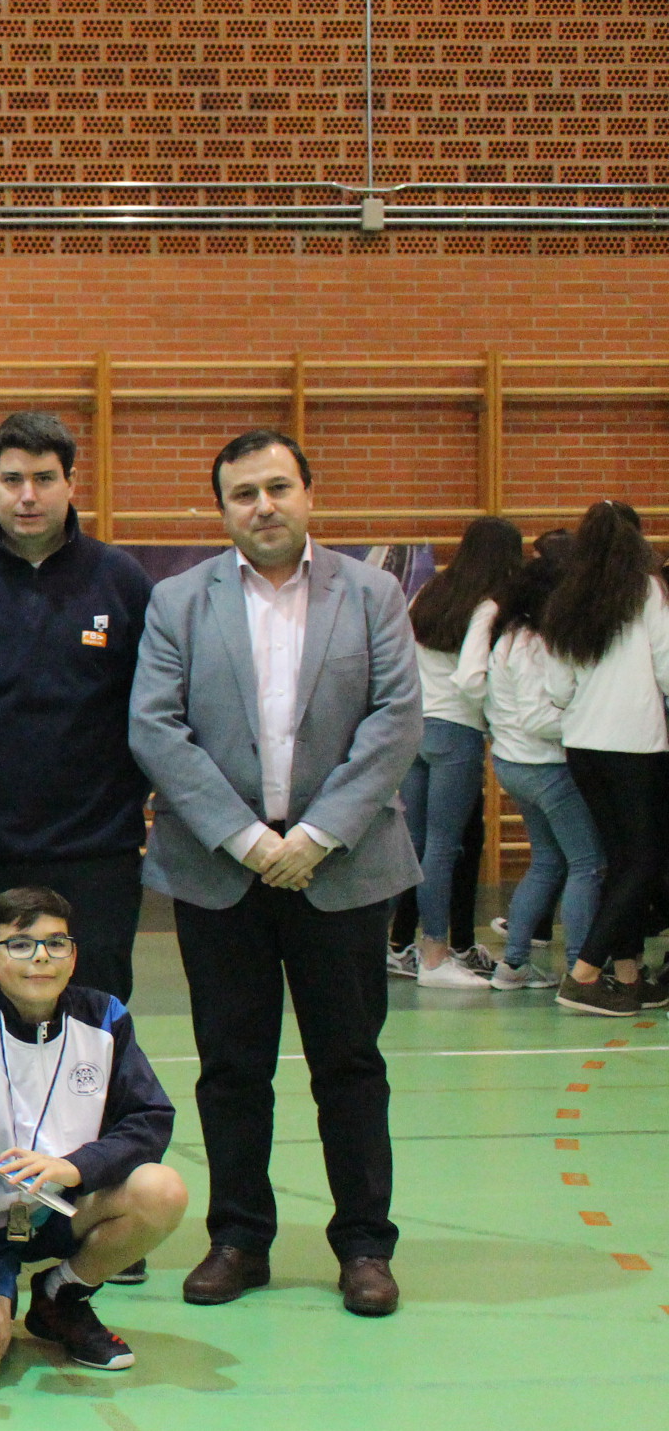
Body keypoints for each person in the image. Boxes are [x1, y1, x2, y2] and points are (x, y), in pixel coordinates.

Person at [129, 429, 421, 1318]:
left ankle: (365, 1247)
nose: (263, 506)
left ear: (307, 492)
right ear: (222, 510)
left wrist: (320, 832)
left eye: (277, 488)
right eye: (243, 494)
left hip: (342, 867)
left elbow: (396, 720)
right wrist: (250, 841)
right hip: (223, 871)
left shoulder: (371, 594)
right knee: (231, 1065)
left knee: (350, 1063)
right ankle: (239, 1238)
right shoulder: (179, 601)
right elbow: (155, 727)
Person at [0, 412, 154, 1007]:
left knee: (92, 1029)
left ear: (71, 484)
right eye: (13, 479)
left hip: (96, 856)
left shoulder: (121, 581)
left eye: (45, 478)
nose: (28, 495)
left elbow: (155, 711)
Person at [0, 887, 185, 1379]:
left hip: (64, 1210)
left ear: (72, 956)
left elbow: (150, 1118)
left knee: (162, 1190)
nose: (40, 957)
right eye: (20, 945)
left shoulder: (105, 1017)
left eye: (55, 943)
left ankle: (61, 1295)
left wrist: (76, 1167)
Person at [385, 517, 524, 989]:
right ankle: (435, 955)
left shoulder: (430, 592)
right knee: (445, 847)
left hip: (416, 728)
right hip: (456, 731)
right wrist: (495, 715)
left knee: (421, 845)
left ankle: (408, 949)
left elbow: (402, 658)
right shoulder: (487, 606)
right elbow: (470, 678)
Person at [543, 502, 669, 1015]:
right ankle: (583, 974)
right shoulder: (647, 592)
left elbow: (557, 687)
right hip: (635, 743)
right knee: (643, 860)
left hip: (582, 744)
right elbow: (666, 670)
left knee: (621, 860)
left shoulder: (567, 598)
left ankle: (627, 972)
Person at [468, 556, 598, 993]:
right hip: (544, 766)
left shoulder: (509, 635)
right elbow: (538, 719)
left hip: (514, 762)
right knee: (588, 865)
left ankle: (514, 965)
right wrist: (592, 721)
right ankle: (580, 970)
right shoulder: (537, 645)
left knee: (548, 860)